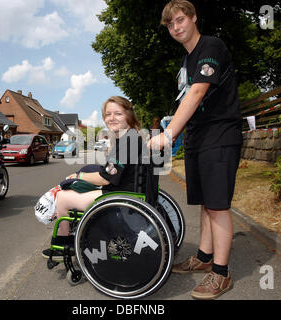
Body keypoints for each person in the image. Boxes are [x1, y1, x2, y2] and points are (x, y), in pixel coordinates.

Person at [148, 0, 243, 300]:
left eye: (180, 20)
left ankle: (221, 274)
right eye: (171, 24)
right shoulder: (186, 63)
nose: (176, 27)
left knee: (218, 205)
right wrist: (173, 127)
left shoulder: (211, 47)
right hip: (198, 138)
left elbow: (200, 90)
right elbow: (187, 100)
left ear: (193, 18)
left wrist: (168, 134)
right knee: (206, 202)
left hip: (220, 135)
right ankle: (203, 257)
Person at [42, 96, 143, 258]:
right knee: (77, 187)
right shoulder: (129, 137)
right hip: (124, 189)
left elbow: (105, 178)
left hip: (118, 195)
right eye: (108, 114)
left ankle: (64, 244)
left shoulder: (126, 142)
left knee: (62, 198)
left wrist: (79, 175)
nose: (112, 118)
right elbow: (109, 171)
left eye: (118, 113)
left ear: (128, 115)